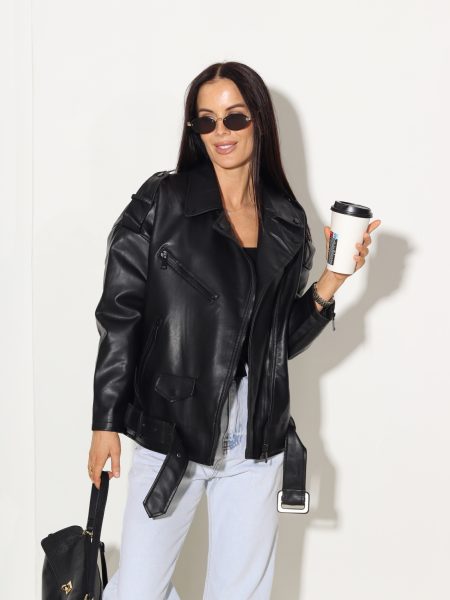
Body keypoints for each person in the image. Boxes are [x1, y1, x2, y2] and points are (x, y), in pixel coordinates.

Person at [87, 61, 381, 600]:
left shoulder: (287, 221)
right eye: (206, 121)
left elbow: (275, 346)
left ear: (258, 121)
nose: (220, 132)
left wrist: (333, 280)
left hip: (256, 438)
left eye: (234, 118)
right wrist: (105, 420)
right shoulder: (163, 201)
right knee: (138, 592)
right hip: (172, 429)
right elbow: (120, 313)